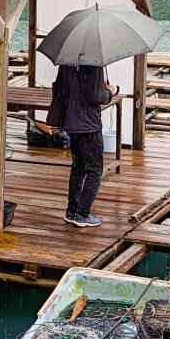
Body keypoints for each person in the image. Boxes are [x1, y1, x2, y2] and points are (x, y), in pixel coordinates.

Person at [47, 63, 119, 228]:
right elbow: (96, 95)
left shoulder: (67, 61)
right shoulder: (93, 63)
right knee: (95, 170)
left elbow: (61, 88)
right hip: (89, 124)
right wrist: (110, 92)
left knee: (78, 167)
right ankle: (82, 214)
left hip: (71, 121)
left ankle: (71, 211)